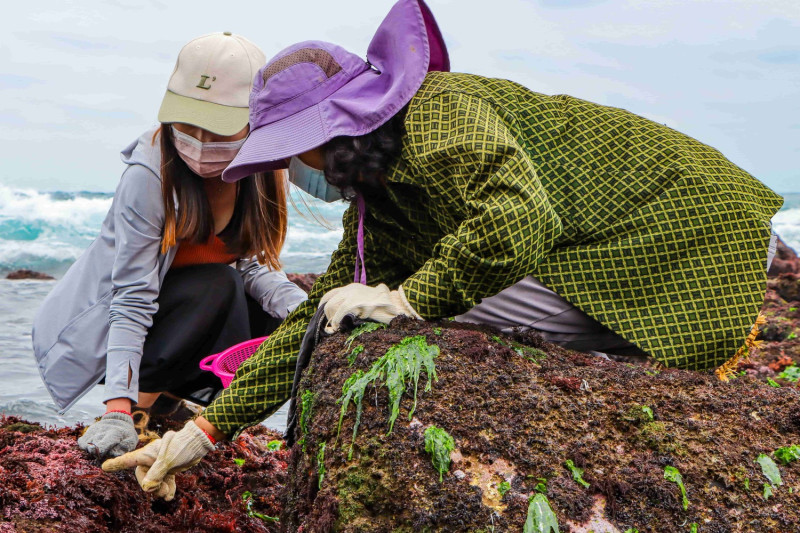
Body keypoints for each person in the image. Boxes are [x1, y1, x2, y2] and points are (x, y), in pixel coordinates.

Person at [103, 0, 782, 499]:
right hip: (623, 246)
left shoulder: (439, 117)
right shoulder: (384, 192)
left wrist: (404, 299)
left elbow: (519, 220)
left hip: (697, 232)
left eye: (293, 146)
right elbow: (313, 324)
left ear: (335, 127)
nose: (294, 165)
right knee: (343, 314)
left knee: (416, 305)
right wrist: (205, 434)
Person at [31, 32, 307, 462]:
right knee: (218, 284)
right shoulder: (151, 173)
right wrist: (118, 409)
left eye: (215, 127)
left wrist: (308, 313)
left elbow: (255, 267)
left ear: (256, 119)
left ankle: (179, 405)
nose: (197, 140)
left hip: (183, 322)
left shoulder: (264, 169)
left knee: (280, 320)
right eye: (186, 122)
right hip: (124, 326)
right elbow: (132, 297)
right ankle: (141, 408)